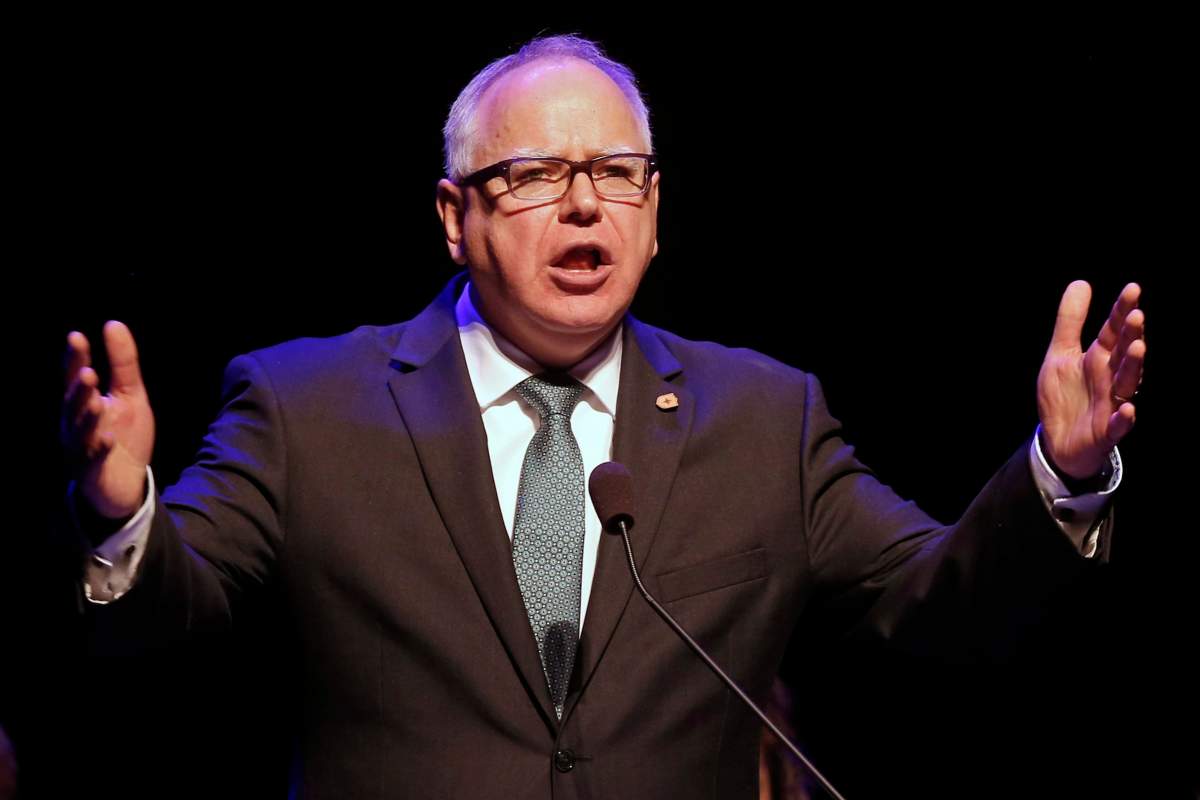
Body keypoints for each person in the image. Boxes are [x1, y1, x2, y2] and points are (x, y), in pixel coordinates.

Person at [59, 35, 1145, 799]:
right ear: (455, 215)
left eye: (617, 173)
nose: (585, 204)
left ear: (655, 211)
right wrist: (121, 515)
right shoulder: (307, 407)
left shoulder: (764, 416)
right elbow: (168, 618)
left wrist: (1060, 471)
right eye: (535, 173)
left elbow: (943, 602)